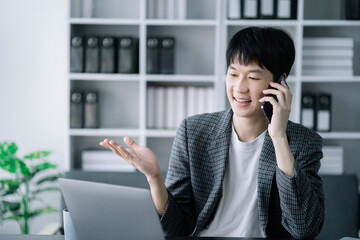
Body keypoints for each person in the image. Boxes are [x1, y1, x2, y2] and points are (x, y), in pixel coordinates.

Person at [100, 26, 325, 239]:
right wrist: (155, 178)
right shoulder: (193, 132)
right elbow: (176, 228)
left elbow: (304, 229)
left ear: (280, 82)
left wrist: (278, 137)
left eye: (253, 77)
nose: (240, 87)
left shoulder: (303, 142)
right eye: (234, 74)